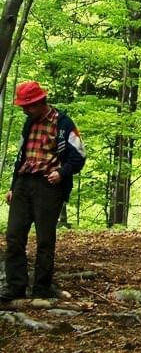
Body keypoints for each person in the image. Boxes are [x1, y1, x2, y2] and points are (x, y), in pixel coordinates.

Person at [0, 81, 85, 303]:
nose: (25, 110)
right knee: (14, 236)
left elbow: (79, 156)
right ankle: (15, 287)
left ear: (40, 102)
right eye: (23, 107)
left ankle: (41, 288)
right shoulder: (28, 124)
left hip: (48, 186)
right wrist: (12, 186)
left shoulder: (63, 123)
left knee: (45, 239)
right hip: (23, 184)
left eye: (29, 106)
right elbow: (21, 156)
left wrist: (62, 173)